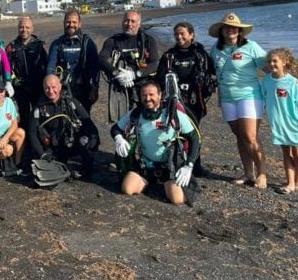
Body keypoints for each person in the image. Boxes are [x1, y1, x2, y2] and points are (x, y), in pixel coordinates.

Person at [111, 80, 201, 205]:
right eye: (144, 95)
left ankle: (168, 185)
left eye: (151, 95)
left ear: (160, 95)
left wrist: (189, 165)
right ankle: (152, 183)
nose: (148, 98)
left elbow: (195, 137)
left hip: (170, 167)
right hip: (146, 165)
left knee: (177, 200)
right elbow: (115, 129)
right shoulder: (136, 114)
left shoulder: (173, 114)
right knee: (127, 189)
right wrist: (118, 139)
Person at [209, 13, 268, 188]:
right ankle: (248, 173)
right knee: (240, 136)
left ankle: (262, 173)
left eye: (234, 27)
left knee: (250, 136)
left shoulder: (251, 46)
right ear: (222, 31)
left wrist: (290, 78)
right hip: (227, 98)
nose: (230, 30)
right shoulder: (216, 49)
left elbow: (269, 66)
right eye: (227, 27)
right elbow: (213, 72)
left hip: (249, 96)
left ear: (240, 30)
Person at [156, 21, 216, 175]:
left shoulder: (200, 54)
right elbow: (160, 77)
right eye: (176, 34)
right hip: (173, 99)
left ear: (191, 34)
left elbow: (212, 73)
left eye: (182, 33)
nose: (179, 37)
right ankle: (175, 161)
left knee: (193, 132)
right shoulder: (169, 55)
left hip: (194, 100)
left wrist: (207, 89)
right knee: (175, 131)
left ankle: (195, 164)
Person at [28, 74, 99, 180]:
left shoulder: (70, 102)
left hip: (69, 142)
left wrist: (94, 137)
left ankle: (87, 171)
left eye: (53, 87)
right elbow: (31, 132)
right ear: (43, 88)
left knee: (86, 141)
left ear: (60, 86)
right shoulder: (39, 107)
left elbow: (87, 121)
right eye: (47, 88)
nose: (51, 91)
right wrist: (42, 154)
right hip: (51, 146)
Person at [262, 48, 298, 194]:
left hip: (294, 123)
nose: (271, 64)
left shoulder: (292, 82)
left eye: (275, 61)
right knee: (286, 153)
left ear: (284, 62)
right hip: (278, 124)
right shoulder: (266, 80)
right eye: (269, 61)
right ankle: (290, 182)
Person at [99, 10, 159, 122]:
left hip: (143, 85)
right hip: (121, 86)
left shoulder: (148, 41)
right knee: (123, 123)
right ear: (122, 22)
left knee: (149, 120)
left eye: (133, 21)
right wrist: (116, 73)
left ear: (139, 23)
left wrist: (134, 75)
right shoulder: (113, 41)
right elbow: (100, 59)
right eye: (126, 21)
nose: (129, 24)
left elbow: (154, 64)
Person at [46, 10, 100, 113]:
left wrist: (95, 87)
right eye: (68, 22)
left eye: (74, 22)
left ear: (80, 24)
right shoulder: (57, 44)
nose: (71, 25)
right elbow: (50, 67)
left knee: (83, 122)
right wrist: (52, 88)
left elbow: (95, 67)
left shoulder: (87, 43)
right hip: (62, 90)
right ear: (64, 23)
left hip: (83, 89)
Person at [5, 15, 47, 130]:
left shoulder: (39, 45)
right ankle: (25, 143)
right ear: (18, 28)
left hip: (37, 87)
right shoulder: (11, 47)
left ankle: (38, 141)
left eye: (27, 27)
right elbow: (6, 68)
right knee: (23, 117)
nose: (24, 30)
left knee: (38, 115)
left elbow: (48, 66)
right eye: (21, 27)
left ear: (32, 29)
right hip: (20, 89)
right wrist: (11, 82)